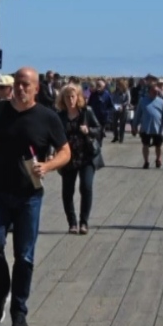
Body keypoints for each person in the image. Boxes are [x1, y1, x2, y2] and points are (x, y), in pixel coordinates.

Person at [0, 67, 69, 326]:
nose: (21, 88)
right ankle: (2, 289)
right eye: (18, 84)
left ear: (37, 88)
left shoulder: (47, 118)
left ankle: (19, 311)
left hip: (29, 197)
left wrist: (48, 166)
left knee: (24, 256)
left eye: (26, 85)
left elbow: (65, 152)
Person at [54, 84, 102, 235]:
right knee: (67, 191)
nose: (70, 99)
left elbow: (99, 130)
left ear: (78, 97)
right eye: (67, 97)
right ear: (63, 99)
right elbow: (53, 136)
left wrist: (89, 130)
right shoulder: (60, 116)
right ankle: (72, 222)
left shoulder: (86, 112)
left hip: (87, 156)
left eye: (73, 96)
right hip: (68, 158)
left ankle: (84, 222)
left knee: (86, 187)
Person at [138, 84, 163, 168]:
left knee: (158, 145)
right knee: (145, 145)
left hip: (158, 128)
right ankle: (146, 161)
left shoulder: (162, 102)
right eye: (154, 91)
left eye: (157, 92)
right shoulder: (142, 101)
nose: (156, 93)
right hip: (145, 127)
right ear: (149, 91)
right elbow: (138, 114)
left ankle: (158, 159)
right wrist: (134, 125)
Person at [111, 79, 131, 143]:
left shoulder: (127, 91)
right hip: (116, 109)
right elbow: (113, 99)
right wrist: (116, 105)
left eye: (119, 85)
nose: (118, 86)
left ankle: (121, 138)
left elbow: (128, 101)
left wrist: (122, 105)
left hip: (124, 109)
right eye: (117, 85)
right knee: (114, 123)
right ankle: (115, 136)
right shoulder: (115, 92)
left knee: (122, 124)